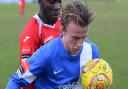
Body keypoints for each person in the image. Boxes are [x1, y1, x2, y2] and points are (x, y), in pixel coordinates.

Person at [6, 0, 99, 89]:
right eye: (75, 38)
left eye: (83, 37)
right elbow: (16, 80)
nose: (80, 45)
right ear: (62, 30)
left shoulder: (92, 51)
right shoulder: (45, 54)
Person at [19, 0, 62, 89]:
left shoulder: (62, 22)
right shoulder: (32, 32)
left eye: (59, 1)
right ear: (40, 2)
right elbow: (26, 76)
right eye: (51, 2)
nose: (57, 7)